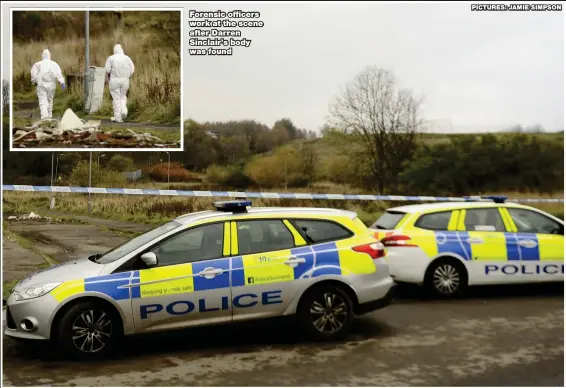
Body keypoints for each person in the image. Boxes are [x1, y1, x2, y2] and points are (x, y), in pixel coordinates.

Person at [30, 49, 66, 120]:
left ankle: (44, 119)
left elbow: (34, 75)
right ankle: (49, 118)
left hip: (41, 84)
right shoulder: (54, 64)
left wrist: (35, 81)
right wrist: (62, 82)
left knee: (43, 102)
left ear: (42, 56)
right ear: (49, 56)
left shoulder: (38, 64)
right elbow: (58, 73)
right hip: (52, 85)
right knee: (50, 101)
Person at [104, 44, 135, 122]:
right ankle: (124, 110)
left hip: (114, 80)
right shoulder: (127, 58)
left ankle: (118, 117)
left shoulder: (111, 58)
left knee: (116, 98)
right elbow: (132, 70)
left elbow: (107, 70)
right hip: (125, 81)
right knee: (123, 96)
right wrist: (126, 75)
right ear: (121, 50)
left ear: (114, 51)